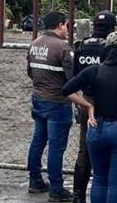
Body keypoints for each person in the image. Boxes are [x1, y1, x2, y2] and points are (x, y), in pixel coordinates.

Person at [62, 31, 117, 203]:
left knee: (99, 178)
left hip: (96, 128)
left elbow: (66, 90)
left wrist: (88, 105)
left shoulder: (94, 70)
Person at [25, 11, 74, 201]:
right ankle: (56, 188)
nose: (68, 29)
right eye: (67, 25)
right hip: (58, 102)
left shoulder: (35, 43)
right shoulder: (62, 47)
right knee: (56, 147)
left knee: (38, 140)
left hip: (38, 98)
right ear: (61, 25)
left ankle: (35, 179)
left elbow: (30, 71)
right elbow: (72, 78)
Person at [71, 10, 117, 203]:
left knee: (85, 149)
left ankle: (78, 195)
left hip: (87, 101)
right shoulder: (113, 49)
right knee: (115, 147)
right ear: (113, 28)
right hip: (111, 101)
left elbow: (74, 77)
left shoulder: (81, 46)